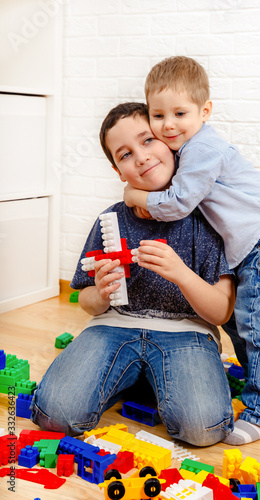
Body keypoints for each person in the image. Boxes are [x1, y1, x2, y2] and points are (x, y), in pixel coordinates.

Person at [30, 102, 236, 447]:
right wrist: (101, 292)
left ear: (171, 143)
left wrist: (181, 274)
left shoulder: (207, 220)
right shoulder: (110, 220)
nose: (141, 157)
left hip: (186, 330)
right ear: (118, 172)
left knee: (204, 427)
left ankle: (144, 377)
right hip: (114, 325)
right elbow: (86, 302)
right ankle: (138, 376)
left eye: (148, 141)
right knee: (55, 414)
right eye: (125, 154)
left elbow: (221, 312)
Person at [123, 56, 260, 445]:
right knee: (239, 321)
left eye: (180, 113)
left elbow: (179, 203)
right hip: (254, 241)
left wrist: (136, 195)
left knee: (255, 323)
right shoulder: (189, 148)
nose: (168, 124)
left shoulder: (203, 148)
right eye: (158, 114)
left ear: (205, 111)